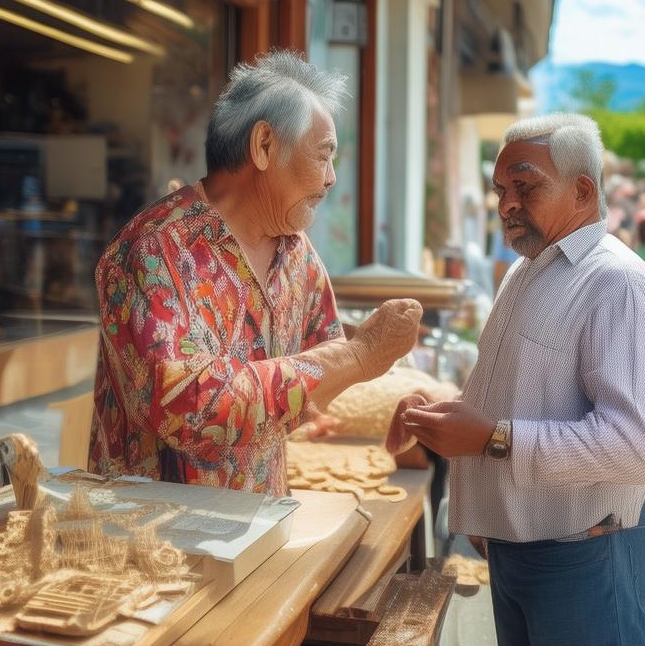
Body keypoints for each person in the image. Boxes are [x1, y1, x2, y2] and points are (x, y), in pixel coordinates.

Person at [387, 113, 645, 646]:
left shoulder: (616, 283)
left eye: (525, 186)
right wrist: (447, 413)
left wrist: (493, 438)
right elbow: (523, 395)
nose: (506, 204)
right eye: (500, 190)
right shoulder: (528, 271)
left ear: (583, 191)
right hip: (522, 552)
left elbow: (641, 446)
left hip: (582, 559)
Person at [90, 51, 422, 493]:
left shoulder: (296, 252)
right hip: (155, 528)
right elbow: (188, 408)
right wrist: (361, 356)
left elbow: (324, 357)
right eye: (323, 155)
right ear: (264, 145)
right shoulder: (153, 251)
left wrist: (402, 398)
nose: (331, 178)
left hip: (265, 520)